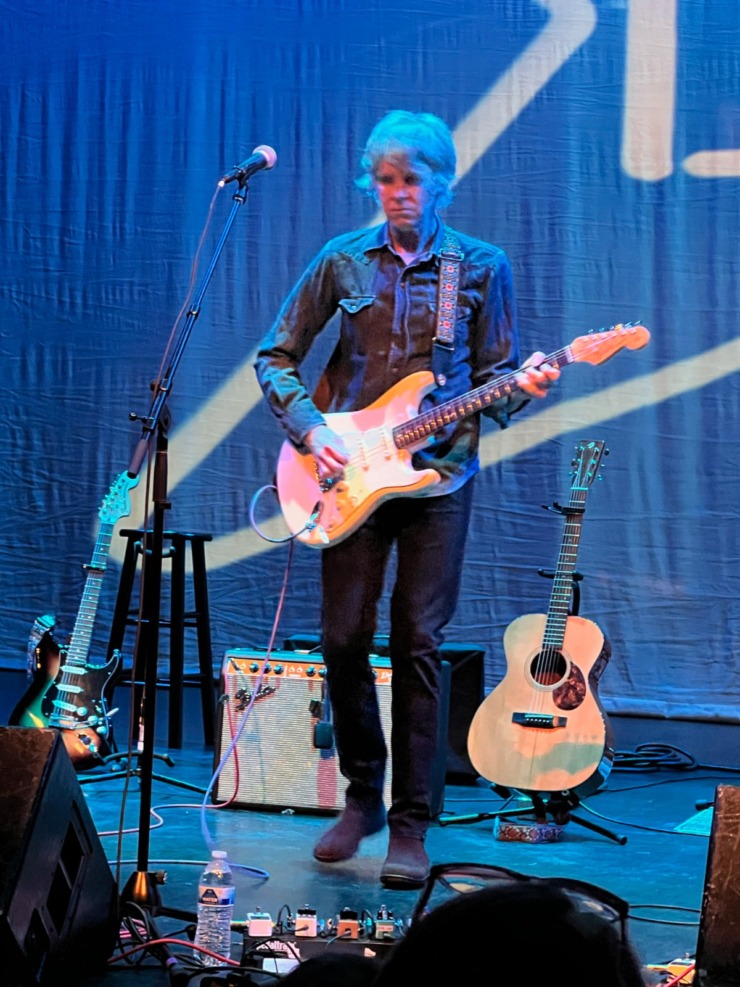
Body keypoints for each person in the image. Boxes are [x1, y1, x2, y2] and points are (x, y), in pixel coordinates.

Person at [254, 109, 560, 889]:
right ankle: (363, 799)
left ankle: (413, 821)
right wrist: (310, 427)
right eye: (383, 181)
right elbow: (277, 355)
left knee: (417, 641)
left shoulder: (479, 266)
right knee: (343, 638)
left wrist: (523, 386)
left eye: (409, 181)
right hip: (346, 478)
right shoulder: (342, 261)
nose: (396, 195)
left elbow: (496, 379)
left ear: (441, 183)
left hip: (439, 477)